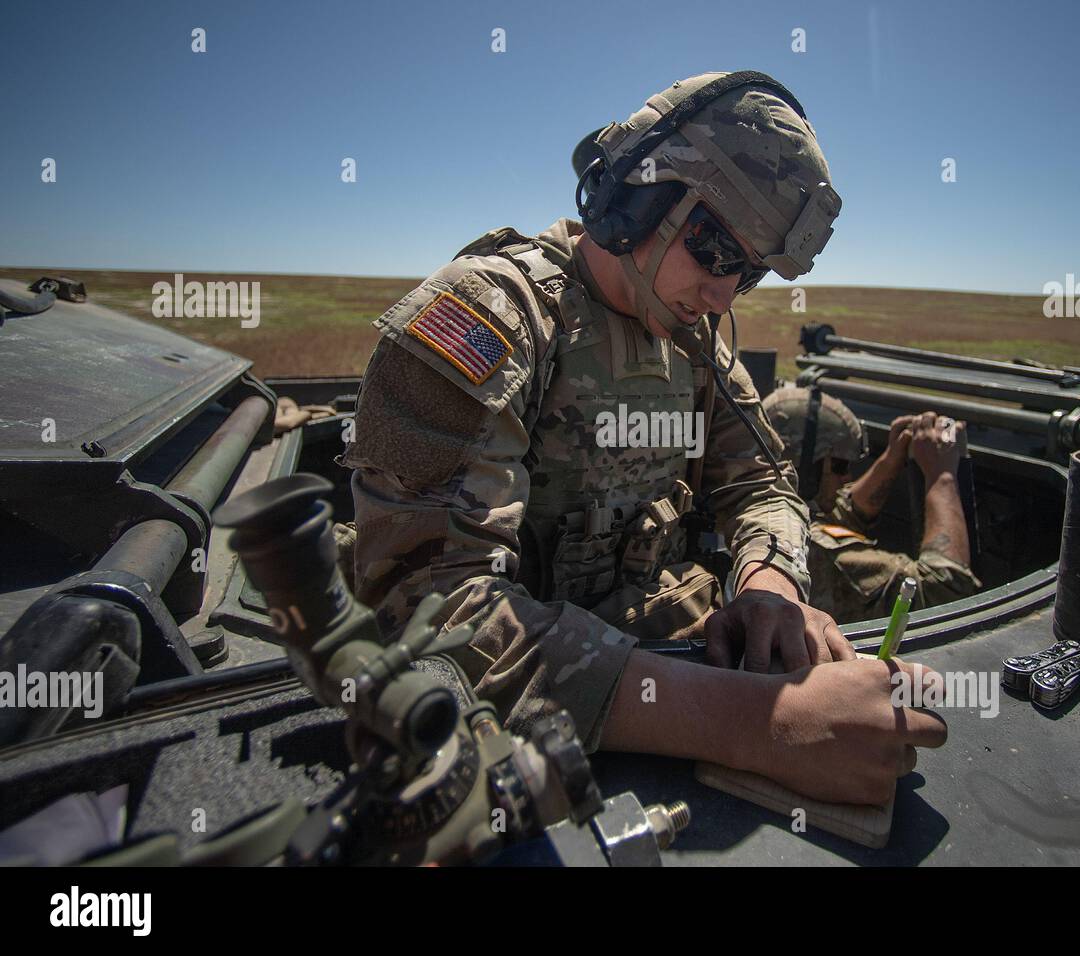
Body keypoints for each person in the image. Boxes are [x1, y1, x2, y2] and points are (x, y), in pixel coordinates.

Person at [339, 72, 947, 805]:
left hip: (648, 655)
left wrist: (767, 583)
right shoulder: (493, 317)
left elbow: (761, 483)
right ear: (636, 199)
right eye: (717, 250)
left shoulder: (694, 344)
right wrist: (758, 724)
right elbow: (427, 611)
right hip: (516, 728)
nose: (724, 294)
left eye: (748, 273)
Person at [762, 387, 981, 622]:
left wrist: (891, 459)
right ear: (804, 470)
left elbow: (837, 515)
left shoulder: (766, 513)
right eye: (839, 466)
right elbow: (945, 590)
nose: (847, 479)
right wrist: (941, 475)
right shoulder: (821, 555)